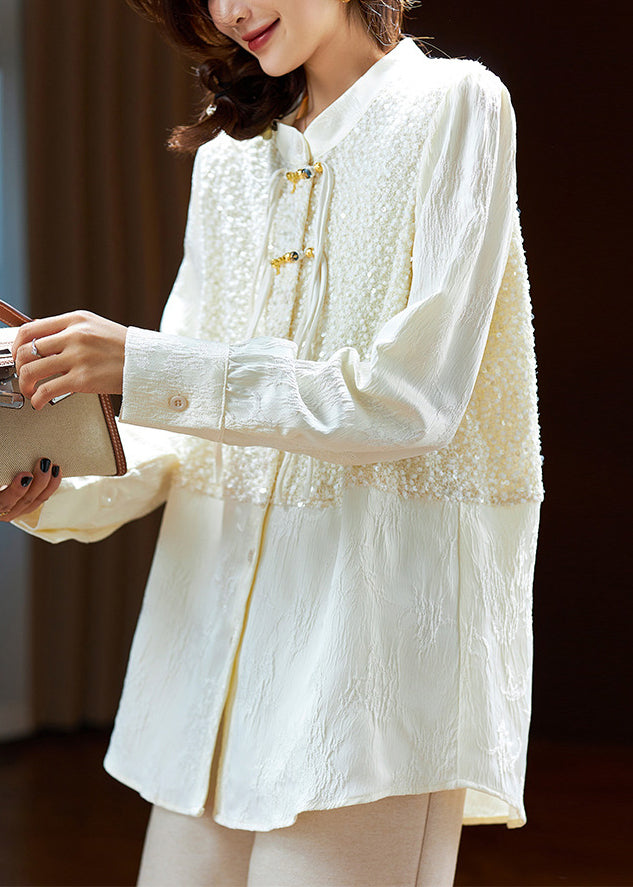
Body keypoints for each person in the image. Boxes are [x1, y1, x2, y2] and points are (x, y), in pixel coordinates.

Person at [0, 0, 543, 884]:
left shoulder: (456, 106)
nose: (231, 11)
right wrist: (42, 474)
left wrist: (142, 360)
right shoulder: (230, 158)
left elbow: (410, 400)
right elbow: (180, 426)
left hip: (364, 665)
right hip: (206, 672)